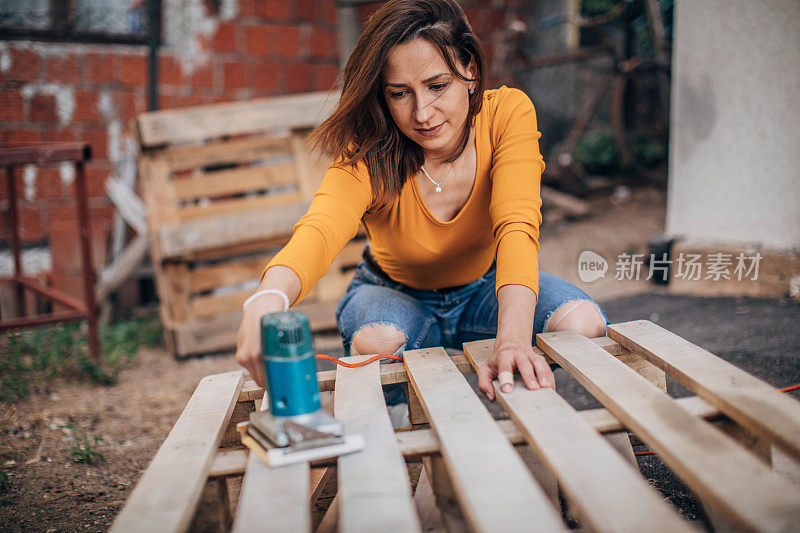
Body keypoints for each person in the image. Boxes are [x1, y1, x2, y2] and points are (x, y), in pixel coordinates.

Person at [236, 0, 607, 415]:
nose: (422, 113)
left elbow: (517, 223)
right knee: (379, 343)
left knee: (583, 324)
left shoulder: (507, 114)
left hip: (484, 289)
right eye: (400, 94)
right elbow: (320, 230)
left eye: (437, 85)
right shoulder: (368, 153)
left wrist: (513, 338)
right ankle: (396, 424)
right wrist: (267, 298)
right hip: (394, 295)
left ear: (468, 69)